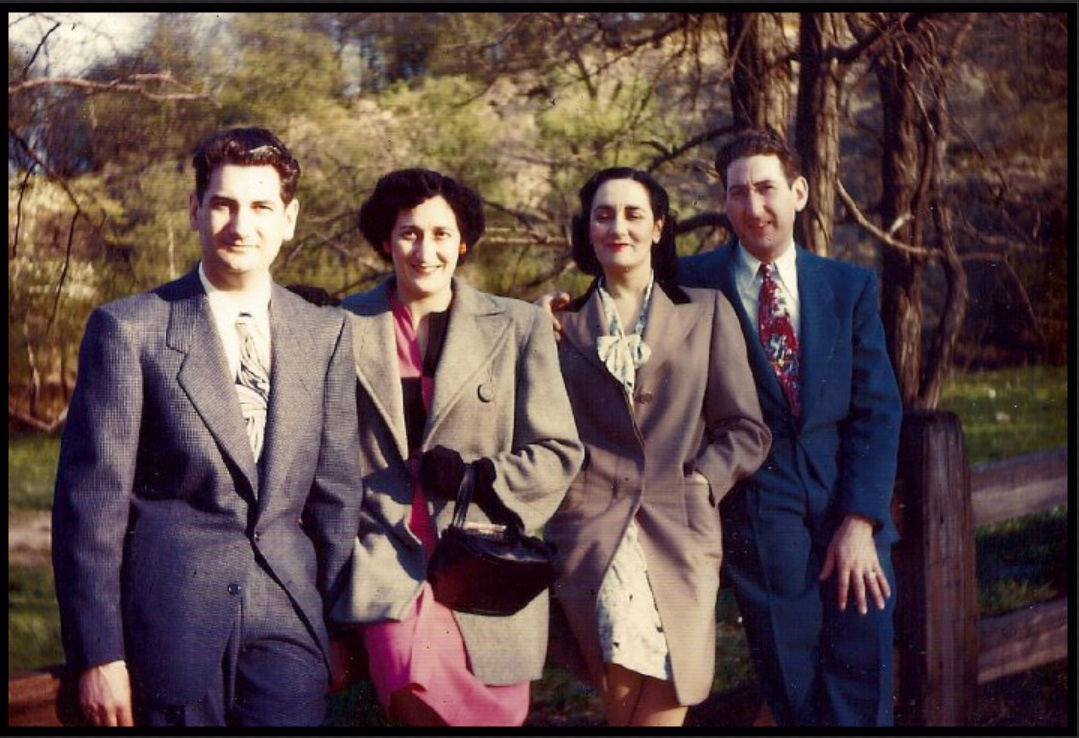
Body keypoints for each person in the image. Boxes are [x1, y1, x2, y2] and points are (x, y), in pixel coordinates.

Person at [51, 127, 364, 727]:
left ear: (289, 218)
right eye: (223, 203)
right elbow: (92, 507)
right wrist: (98, 653)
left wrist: (333, 622)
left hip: (289, 622)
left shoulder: (325, 333)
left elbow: (337, 495)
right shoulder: (130, 329)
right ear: (196, 209)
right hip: (170, 621)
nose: (240, 225)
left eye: (260, 206)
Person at [329, 168, 584, 727]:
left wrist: (479, 476)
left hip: (485, 566)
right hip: (386, 562)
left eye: (442, 234)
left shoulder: (517, 325)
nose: (426, 250)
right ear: (385, 241)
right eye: (409, 233)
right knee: (412, 687)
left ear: (463, 241)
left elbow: (560, 450)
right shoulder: (337, 326)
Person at [677, 128, 903, 726]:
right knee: (792, 684)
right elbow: (618, 298)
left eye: (767, 189)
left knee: (861, 676)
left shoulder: (848, 286)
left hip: (847, 507)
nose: (754, 208)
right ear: (724, 202)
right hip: (759, 511)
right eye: (738, 193)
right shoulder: (692, 282)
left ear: (799, 192)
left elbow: (878, 409)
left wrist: (860, 521)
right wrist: (559, 312)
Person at [544, 168, 772, 727]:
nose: (617, 227)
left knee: (675, 684)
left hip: (681, 527)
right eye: (603, 215)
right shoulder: (558, 323)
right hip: (595, 530)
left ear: (659, 227)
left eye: (632, 214)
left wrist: (701, 480)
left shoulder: (705, 311)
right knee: (622, 678)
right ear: (588, 229)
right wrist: (534, 322)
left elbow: (747, 429)